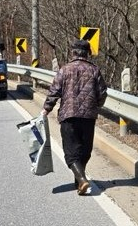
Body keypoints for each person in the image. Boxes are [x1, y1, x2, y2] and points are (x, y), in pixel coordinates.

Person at [41, 39, 108, 195]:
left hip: (68, 116)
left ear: (73, 52)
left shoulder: (64, 70)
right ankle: (81, 181)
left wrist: (46, 109)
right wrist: (96, 105)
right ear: (87, 53)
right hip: (88, 117)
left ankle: (81, 180)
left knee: (71, 153)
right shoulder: (94, 70)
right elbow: (103, 93)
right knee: (85, 151)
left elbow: (54, 91)